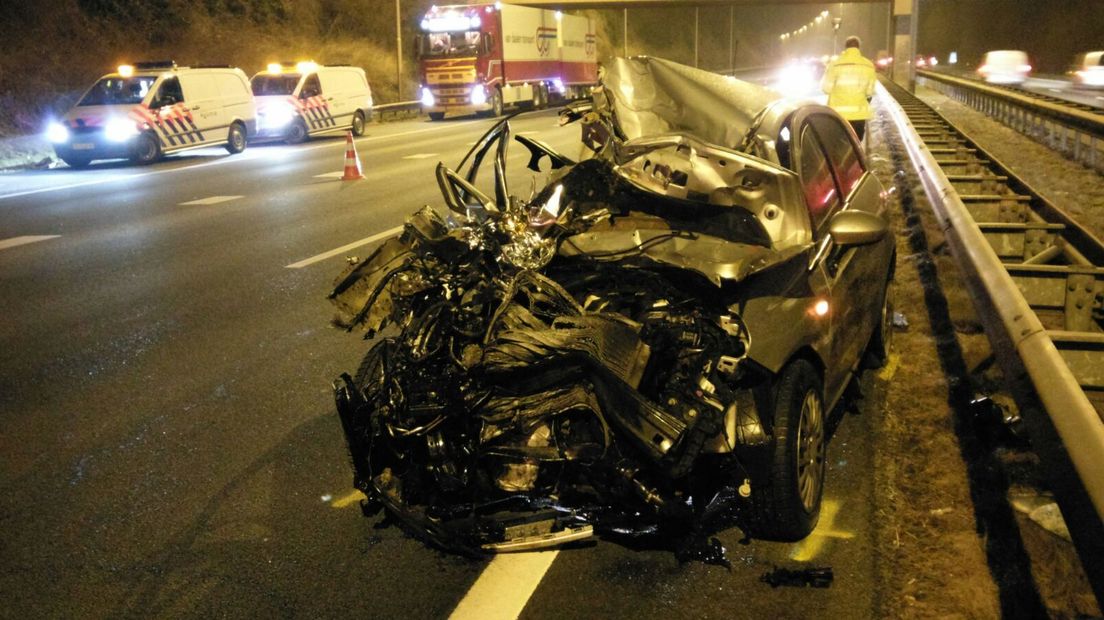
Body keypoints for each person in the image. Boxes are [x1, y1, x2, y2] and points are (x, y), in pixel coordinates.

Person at [821, 35, 876, 140]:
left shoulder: (835, 64)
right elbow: (870, 91)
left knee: (838, 145)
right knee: (856, 145)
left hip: (837, 115)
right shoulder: (868, 65)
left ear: (845, 47)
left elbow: (825, 88)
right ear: (859, 47)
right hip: (859, 115)